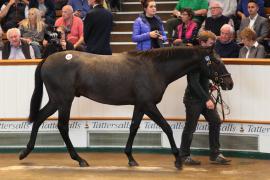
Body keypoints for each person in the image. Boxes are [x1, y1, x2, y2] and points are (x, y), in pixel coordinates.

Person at [179, 30, 231, 165]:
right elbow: (193, 83)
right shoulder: (195, 58)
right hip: (193, 99)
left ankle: (215, 154)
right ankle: (184, 155)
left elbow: (202, 78)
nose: (212, 46)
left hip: (203, 96)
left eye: (213, 43)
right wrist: (207, 99)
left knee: (215, 121)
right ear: (202, 42)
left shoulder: (206, 56)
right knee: (190, 127)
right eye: (210, 43)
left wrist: (209, 85)